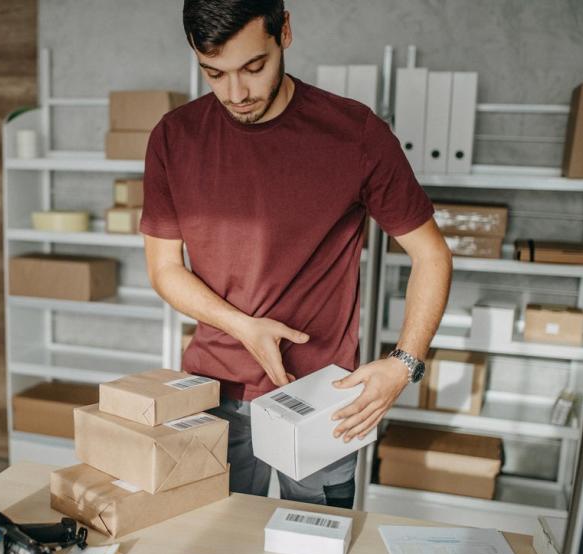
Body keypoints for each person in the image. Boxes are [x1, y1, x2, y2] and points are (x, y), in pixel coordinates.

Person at [141, 0, 452, 508]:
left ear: (284, 31)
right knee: (211, 551)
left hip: (324, 400)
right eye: (214, 73)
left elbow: (432, 256)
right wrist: (245, 327)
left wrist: (405, 365)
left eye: (253, 67)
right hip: (210, 393)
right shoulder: (174, 139)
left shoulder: (355, 134)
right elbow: (165, 269)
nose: (236, 93)